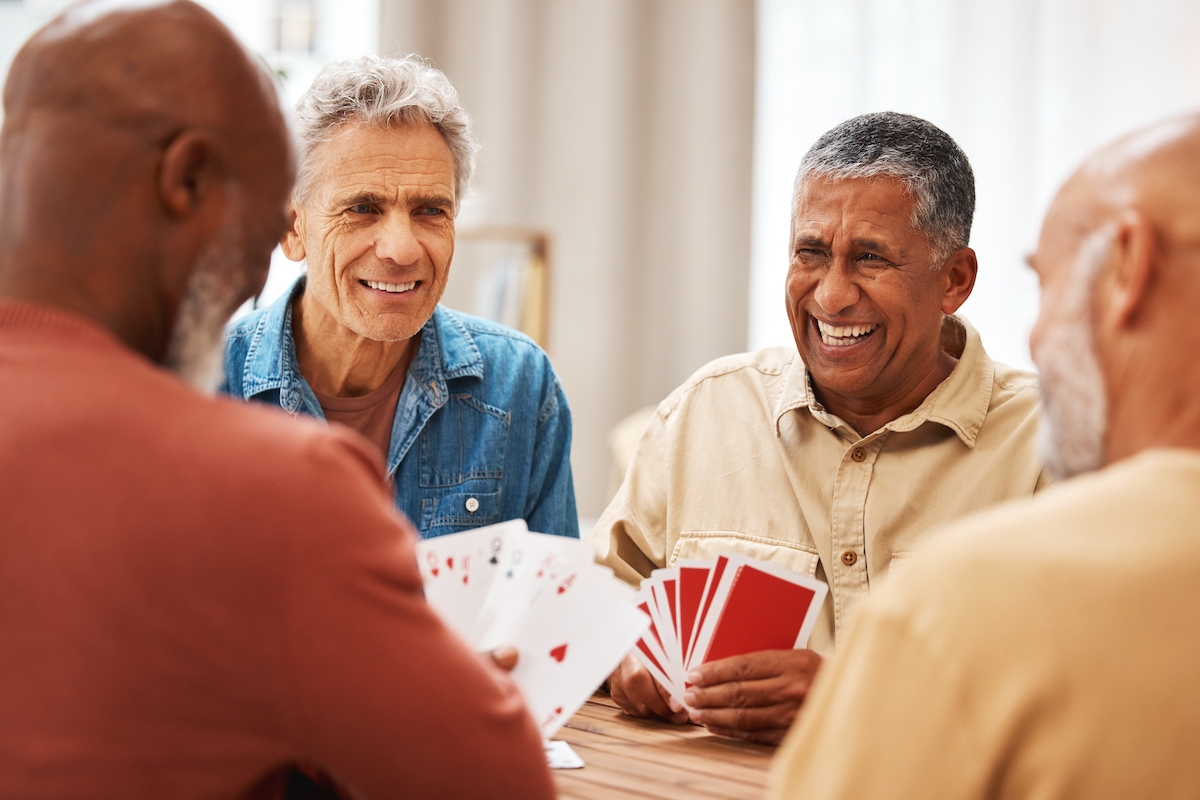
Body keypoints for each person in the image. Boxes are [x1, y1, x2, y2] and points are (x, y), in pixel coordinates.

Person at [0, 2, 555, 797]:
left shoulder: (518, 383)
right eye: (264, 222)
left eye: (431, 210)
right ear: (191, 184)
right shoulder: (276, 486)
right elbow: (498, 784)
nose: (256, 275)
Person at [767, 113, 1200, 798]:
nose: (1035, 334)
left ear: (1130, 269)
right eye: (810, 253)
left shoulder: (954, 604)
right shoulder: (703, 408)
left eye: (1047, 283)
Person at [590, 112, 1046, 743]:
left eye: (870, 258)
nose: (831, 296)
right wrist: (621, 652)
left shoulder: (1055, 449)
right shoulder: (706, 411)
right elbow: (595, 606)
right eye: (810, 253)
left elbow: (1097, 699)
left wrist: (853, 695)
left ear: (955, 281)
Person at [222, 55, 577, 540]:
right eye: (363, 208)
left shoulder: (519, 386)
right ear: (292, 228)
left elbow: (551, 610)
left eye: (430, 210)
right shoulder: (197, 389)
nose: (402, 249)